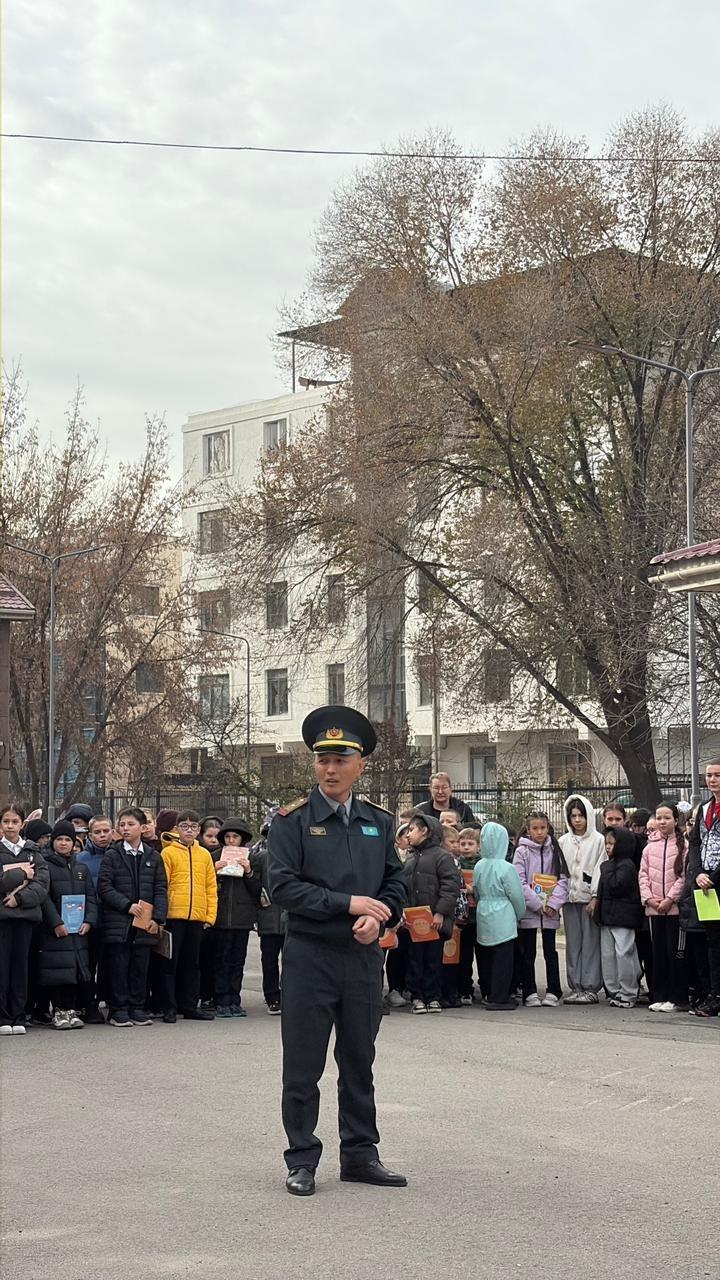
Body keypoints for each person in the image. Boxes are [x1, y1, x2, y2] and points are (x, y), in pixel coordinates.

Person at [267, 704, 407, 1197]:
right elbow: (282, 887)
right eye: (322, 759)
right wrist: (349, 904)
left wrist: (379, 915)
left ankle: (361, 1155)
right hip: (310, 956)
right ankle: (302, 1158)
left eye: (340, 759)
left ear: (360, 764)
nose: (330, 769)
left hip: (362, 958)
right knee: (303, 1066)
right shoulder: (291, 821)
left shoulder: (378, 822)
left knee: (359, 1060)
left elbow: (395, 881)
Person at [98, 806, 168, 1028]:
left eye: (131, 824)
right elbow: (105, 887)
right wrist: (126, 905)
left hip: (144, 923)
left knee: (140, 966)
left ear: (142, 827)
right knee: (119, 966)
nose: (125, 828)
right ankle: (118, 1009)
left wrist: (158, 917)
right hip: (119, 921)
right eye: (122, 824)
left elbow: (160, 889)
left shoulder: (153, 856)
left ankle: (137, 1007)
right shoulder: (112, 855)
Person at [38, 820, 98, 1029]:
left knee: (75, 971)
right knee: (57, 972)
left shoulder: (81, 867)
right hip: (56, 931)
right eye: (59, 839)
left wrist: (89, 920)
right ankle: (59, 1011)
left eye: (67, 840)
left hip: (78, 931)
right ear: (53, 842)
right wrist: (56, 922)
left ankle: (71, 1010)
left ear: (74, 843)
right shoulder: (45, 866)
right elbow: (44, 898)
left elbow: (91, 897)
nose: (63, 843)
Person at [160, 810, 218, 1022]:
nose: (189, 831)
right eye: (184, 826)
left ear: (198, 830)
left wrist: (209, 916)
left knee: (192, 964)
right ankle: (169, 1006)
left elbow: (210, 887)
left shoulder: (204, 855)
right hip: (174, 916)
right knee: (170, 963)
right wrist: (161, 915)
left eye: (193, 827)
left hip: (196, 917)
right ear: (177, 829)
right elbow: (163, 885)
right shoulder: (168, 853)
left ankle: (190, 1005)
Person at [402, 815, 462, 1015]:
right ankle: (417, 996)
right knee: (415, 959)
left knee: (433, 959)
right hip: (414, 921)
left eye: (412, 829)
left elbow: (450, 887)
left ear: (424, 830)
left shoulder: (442, 857)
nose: (408, 834)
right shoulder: (410, 858)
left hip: (434, 921)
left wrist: (440, 913)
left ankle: (433, 996)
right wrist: (404, 911)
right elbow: (403, 888)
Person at [0, 804, 49, 1035]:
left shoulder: (33, 851)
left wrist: (19, 899)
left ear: (22, 824)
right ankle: (3, 1015)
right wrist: (21, 874)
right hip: (2, 917)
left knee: (21, 966)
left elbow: (41, 884)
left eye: (15, 822)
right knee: (2, 966)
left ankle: (18, 1014)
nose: (10, 826)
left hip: (25, 916)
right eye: (6, 821)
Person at [513, 812, 569, 1007]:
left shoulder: (555, 850)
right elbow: (519, 881)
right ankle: (529, 991)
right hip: (530, 910)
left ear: (548, 828)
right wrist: (536, 904)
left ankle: (554, 990)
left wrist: (553, 904)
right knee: (528, 953)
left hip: (550, 912)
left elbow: (563, 879)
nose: (539, 832)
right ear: (528, 830)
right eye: (535, 828)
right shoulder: (522, 852)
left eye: (543, 828)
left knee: (550, 952)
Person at [472, 822, 526, 1009]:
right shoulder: (507, 868)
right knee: (503, 958)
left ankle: (488, 992)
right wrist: (519, 914)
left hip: (483, 911)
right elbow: (516, 896)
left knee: (485, 956)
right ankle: (499, 996)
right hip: (503, 913)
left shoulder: (479, 865)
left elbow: (476, 890)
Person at [639, 803, 686, 1012]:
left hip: (674, 910)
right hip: (655, 909)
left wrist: (670, 899)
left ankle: (676, 998)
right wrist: (649, 899)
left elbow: (683, 877)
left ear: (675, 820)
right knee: (658, 953)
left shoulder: (683, 846)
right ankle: (659, 995)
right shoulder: (649, 847)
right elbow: (643, 875)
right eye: (659, 818)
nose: (662, 822)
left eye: (667, 817)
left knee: (674, 953)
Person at [558, 794, 605, 1004]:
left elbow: (599, 869)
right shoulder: (563, 841)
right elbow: (559, 870)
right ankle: (575, 985)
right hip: (569, 900)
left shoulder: (598, 840)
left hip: (588, 900)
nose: (577, 820)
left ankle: (590, 986)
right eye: (573, 816)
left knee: (590, 944)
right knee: (573, 944)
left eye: (581, 815)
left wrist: (595, 896)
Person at [211, 816, 258, 1017]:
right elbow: (206, 885)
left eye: (235, 837)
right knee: (221, 960)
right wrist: (214, 871)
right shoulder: (214, 856)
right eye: (228, 837)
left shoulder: (252, 859)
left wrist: (248, 872)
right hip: (220, 918)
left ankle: (234, 999)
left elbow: (257, 890)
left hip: (242, 918)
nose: (231, 840)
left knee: (238, 961)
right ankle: (221, 1000)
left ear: (242, 839)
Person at [594, 826, 642, 1008]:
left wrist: (605, 868)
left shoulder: (627, 865)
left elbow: (616, 886)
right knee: (608, 955)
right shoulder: (611, 864)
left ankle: (628, 992)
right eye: (606, 843)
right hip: (607, 917)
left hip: (623, 918)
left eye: (611, 843)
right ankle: (614, 990)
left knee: (624, 954)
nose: (607, 847)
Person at [687, 758, 720, 1018]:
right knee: (713, 942)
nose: (712, 780)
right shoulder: (704, 808)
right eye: (709, 775)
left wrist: (714, 876)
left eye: (717, 775)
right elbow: (695, 843)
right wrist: (698, 872)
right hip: (705, 884)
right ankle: (714, 994)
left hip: (718, 879)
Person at [76, 814, 115, 1023]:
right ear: (89, 834)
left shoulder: (119, 855)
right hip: (90, 920)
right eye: (97, 832)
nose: (102, 835)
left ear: (112, 832)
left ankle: (110, 1001)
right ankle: (88, 1004)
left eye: (105, 831)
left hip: (114, 918)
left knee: (111, 963)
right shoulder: (81, 859)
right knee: (89, 964)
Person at [250, 811, 285, 1015]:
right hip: (268, 916)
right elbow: (254, 887)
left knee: (292, 960)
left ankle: (289, 993)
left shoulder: (296, 857)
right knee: (269, 959)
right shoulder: (260, 858)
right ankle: (272, 996)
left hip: (290, 918)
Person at [439, 822, 467, 1009]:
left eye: (458, 841)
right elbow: (455, 891)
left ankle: (450, 993)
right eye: (452, 842)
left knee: (451, 958)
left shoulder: (457, 862)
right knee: (446, 958)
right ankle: (446, 993)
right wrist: (458, 914)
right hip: (449, 915)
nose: (456, 845)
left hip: (454, 916)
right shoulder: (447, 862)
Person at [384, 824, 411, 1008]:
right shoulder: (392, 856)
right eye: (405, 836)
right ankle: (388, 990)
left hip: (409, 913)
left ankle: (401, 988)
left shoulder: (416, 857)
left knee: (401, 952)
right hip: (389, 912)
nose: (408, 839)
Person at [457, 826, 482, 1005]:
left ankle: (485, 988)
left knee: (482, 955)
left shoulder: (482, 864)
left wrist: (473, 889)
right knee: (463, 957)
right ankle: (465, 989)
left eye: (470, 844)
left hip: (479, 916)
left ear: (478, 846)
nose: (466, 847)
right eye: (463, 843)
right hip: (462, 917)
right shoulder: (455, 863)